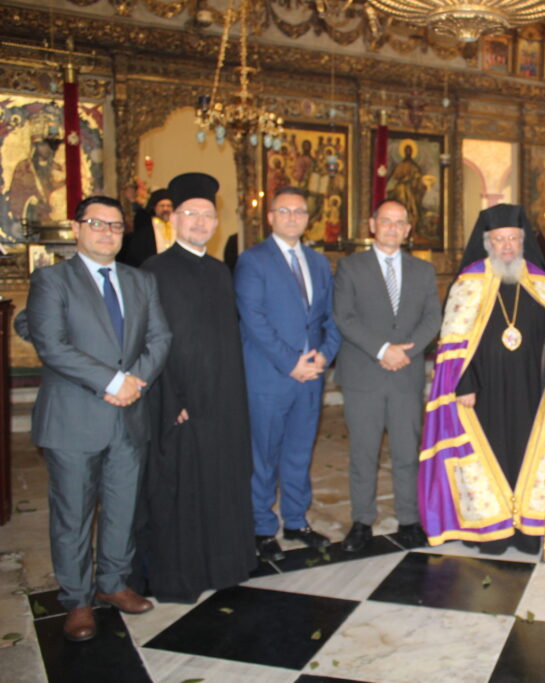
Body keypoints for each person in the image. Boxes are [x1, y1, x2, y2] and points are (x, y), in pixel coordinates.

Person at [25, 195, 171, 640]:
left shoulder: (141, 280)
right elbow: (52, 345)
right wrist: (112, 381)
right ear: (77, 228)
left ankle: (113, 582)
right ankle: (77, 600)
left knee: (121, 509)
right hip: (74, 417)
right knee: (73, 515)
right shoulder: (52, 280)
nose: (107, 232)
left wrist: (135, 383)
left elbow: (160, 337)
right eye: (97, 223)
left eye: (115, 225)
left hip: (129, 415)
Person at [418, 204, 545, 553]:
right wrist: (464, 383)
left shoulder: (540, 280)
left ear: (522, 241)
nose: (507, 246)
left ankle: (528, 528)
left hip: (530, 388)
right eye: (499, 240)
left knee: (529, 452)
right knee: (488, 454)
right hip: (482, 389)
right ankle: (492, 531)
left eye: (513, 239)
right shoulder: (469, 281)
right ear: (488, 243)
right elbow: (452, 340)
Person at [133, 172, 257, 603]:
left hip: (223, 400)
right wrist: (172, 400)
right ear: (174, 219)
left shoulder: (221, 272)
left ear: (216, 223)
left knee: (221, 482)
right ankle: (181, 574)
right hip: (180, 403)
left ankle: (223, 565)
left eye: (207, 215)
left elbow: (227, 340)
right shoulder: (154, 271)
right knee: (181, 489)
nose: (201, 222)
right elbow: (151, 342)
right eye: (191, 214)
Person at [235, 186, 342, 562]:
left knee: (299, 452)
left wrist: (324, 357)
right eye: (284, 211)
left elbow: (331, 317)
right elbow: (254, 320)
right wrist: (291, 362)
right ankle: (262, 527)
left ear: (308, 219)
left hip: (310, 378)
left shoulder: (318, 263)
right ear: (270, 217)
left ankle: (296, 521)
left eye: (299, 212)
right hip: (270, 377)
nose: (292, 217)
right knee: (264, 455)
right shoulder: (253, 261)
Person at [332, 200, 441, 551]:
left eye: (399, 222)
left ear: (408, 229)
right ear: (372, 224)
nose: (392, 228)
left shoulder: (423, 271)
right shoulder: (350, 267)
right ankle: (362, 521)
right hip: (364, 374)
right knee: (363, 453)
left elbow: (433, 318)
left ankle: (409, 519)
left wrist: (406, 352)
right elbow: (344, 316)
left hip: (406, 374)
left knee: (407, 451)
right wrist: (382, 350)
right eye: (386, 221)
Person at [121, 188, 174, 266]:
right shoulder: (146, 227)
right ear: (154, 208)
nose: (165, 209)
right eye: (162, 206)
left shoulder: (178, 225)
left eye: (169, 206)